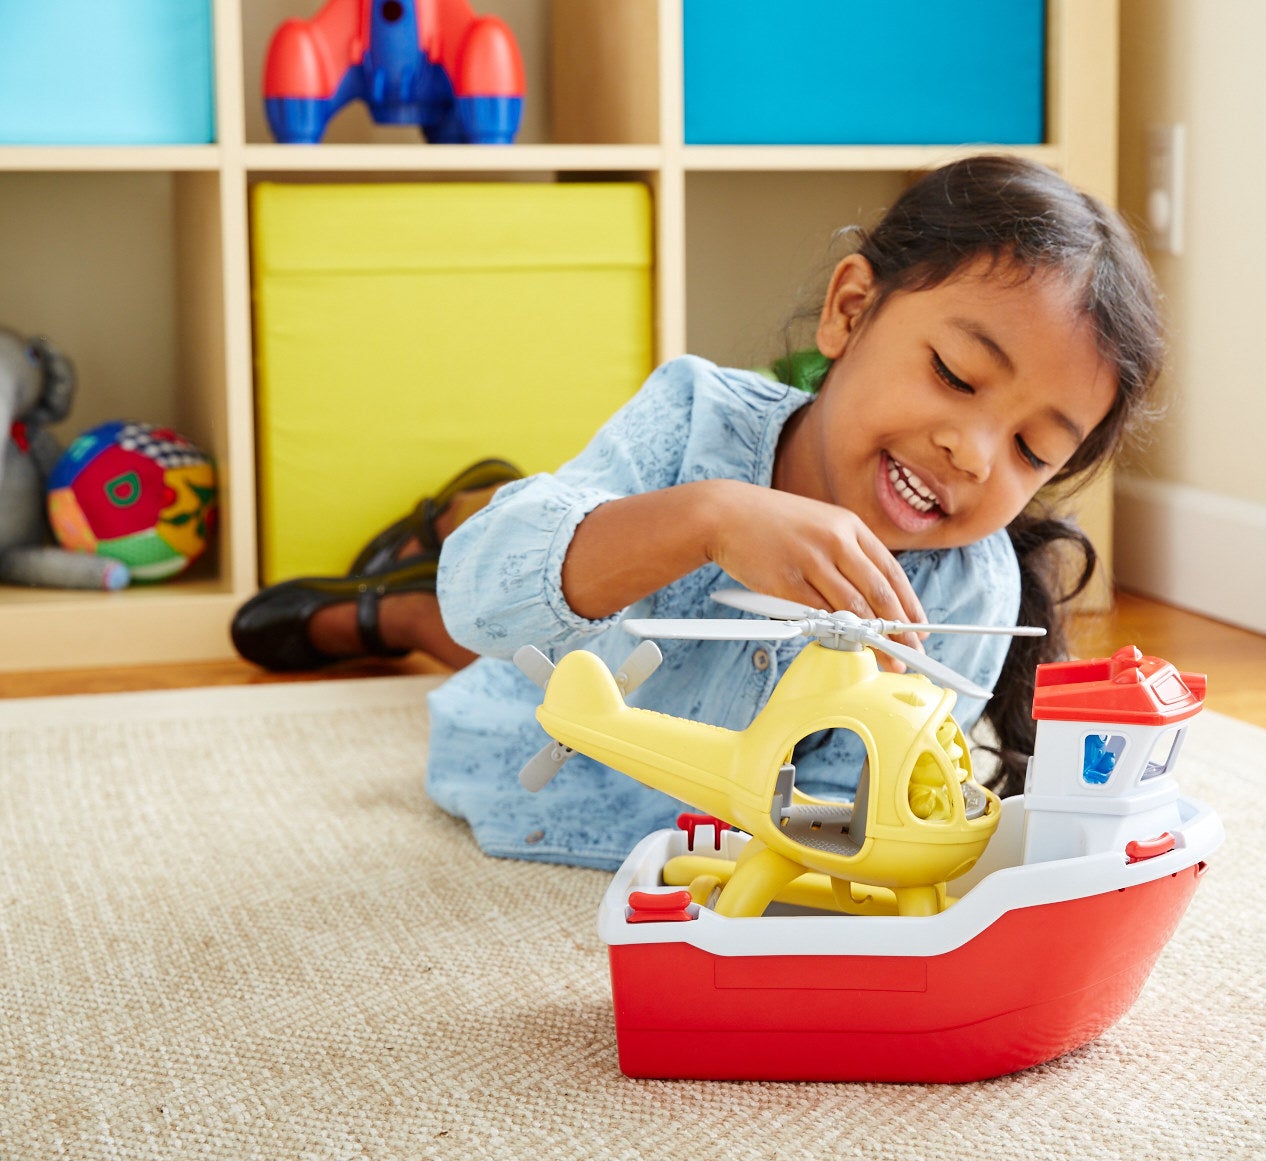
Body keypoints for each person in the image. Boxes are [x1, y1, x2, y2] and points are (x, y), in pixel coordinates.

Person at [230, 154, 1166, 870]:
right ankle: (399, 601)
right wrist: (710, 518)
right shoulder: (694, 421)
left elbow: (855, 828)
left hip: (698, 847)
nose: (974, 453)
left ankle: (401, 588)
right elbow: (486, 598)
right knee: (510, 636)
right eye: (956, 376)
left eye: (1032, 450)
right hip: (534, 737)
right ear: (849, 311)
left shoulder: (967, 594)